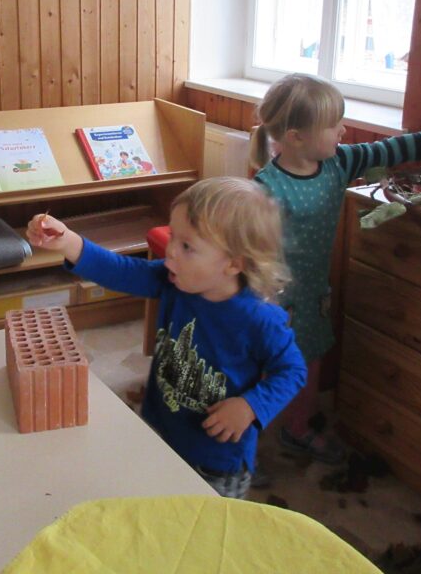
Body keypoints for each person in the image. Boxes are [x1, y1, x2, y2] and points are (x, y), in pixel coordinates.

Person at [250, 73, 421, 464]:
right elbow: (245, 244)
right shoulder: (266, 187)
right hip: (269, 298)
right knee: (265, 368)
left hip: (313, 293)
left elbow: (397, 149)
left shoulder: (339, 163)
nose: (343, 130)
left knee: (309, 361)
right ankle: (242, 445)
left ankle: (297, 429)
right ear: (297, 137)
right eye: (334, 125)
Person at [27, 177, 307, 498]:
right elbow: (121, 270)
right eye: (173, 236)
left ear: (234, 263)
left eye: (187, 246)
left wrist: (250, 406)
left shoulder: (259, 318)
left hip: (216, 461)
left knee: (205, 533)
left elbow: (292, 371)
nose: (170, 251)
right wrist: (70, 243)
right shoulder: (174, 279)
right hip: (162, 430)